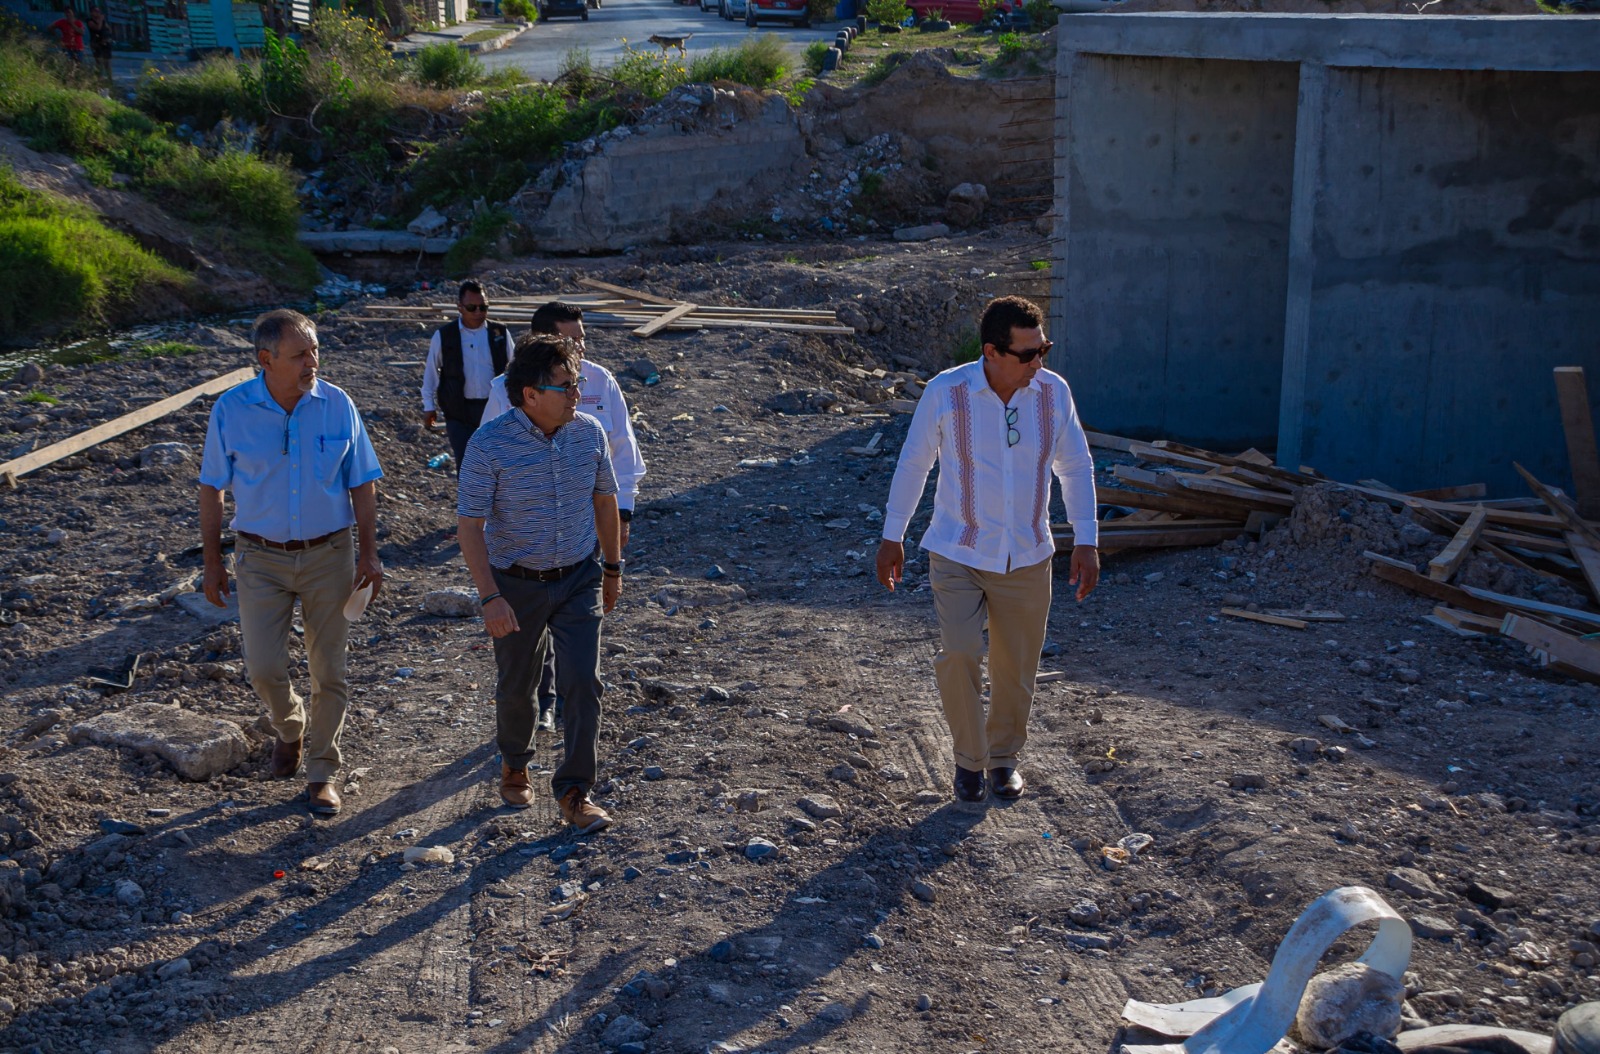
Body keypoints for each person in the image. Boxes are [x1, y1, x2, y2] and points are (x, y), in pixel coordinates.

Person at [876, 295, 1100, 804]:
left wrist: (1086, 540)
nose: (1038, 362)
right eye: (1027, 354)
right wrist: (893, 536)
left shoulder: (1052, 392)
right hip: (958, 549)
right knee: (959, 652)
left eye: (1043, 349)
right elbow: (914, 464)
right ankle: (969, 762)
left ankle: (1003, 760)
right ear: (992, 352)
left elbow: (1076, 466)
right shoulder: (946, 392)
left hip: (1027, 554)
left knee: (1014, 668)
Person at [199, 309, 384, 817]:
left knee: (330, 670)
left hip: (330, 554)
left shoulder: (337, 404)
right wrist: (213, 560)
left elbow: (362, 480)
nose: (312, 362)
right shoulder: (231, 410)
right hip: (259, 557)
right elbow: (212, 487)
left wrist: (369, 551)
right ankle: (290, 726)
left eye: (315, 351)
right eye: (300, 354)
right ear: (266, 360)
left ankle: (322, 771)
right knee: (262, 668)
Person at [458, 335, 623, 832]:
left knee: (582, 682)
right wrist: (490, 596)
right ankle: (515, 761)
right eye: (566, 386)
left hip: (578, 576)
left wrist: (613, 569)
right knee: (517, 687)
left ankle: (575, 791)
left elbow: (605, 503)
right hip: (515, 584)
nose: (577, 394)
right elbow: (470, 527)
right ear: (530, 394)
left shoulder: (589, 433)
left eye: (576, 384)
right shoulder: (488, 445)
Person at [480, 301, 645, 732]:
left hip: (587, 526)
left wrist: (622, 512)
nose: (579, 348)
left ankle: (574, 768)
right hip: (526, 539)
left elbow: (622, 448)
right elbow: (493, 453)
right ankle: (538, 706)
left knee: (581, 657)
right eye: (570, 340)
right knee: (525, 655)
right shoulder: (506, 388)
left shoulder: (600, 381)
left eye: (582, 339)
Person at [421, 279, 510, 471]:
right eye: (472, 307)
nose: (478, 312)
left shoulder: (499, 333)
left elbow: (515, 370)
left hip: (494, 409)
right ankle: (469, 501)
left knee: (497, 464)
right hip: (458, 412)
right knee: (467, 464)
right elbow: (431, 372)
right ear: (459, 307)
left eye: (483, 307)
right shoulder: (444, 336)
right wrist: (429, 406)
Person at [85, 7, 113, 80]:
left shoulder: (103, 21)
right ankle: (99, 78)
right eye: (96, 11)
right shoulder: (89, 21)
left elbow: (109, 29)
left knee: (107, 63)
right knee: (99, 62)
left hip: (106, 43)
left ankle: (110, 79)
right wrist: (100, 20)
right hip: (96, 43)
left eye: (99, 12)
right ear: (92, 13)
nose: (98, 13)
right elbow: (98, 28)